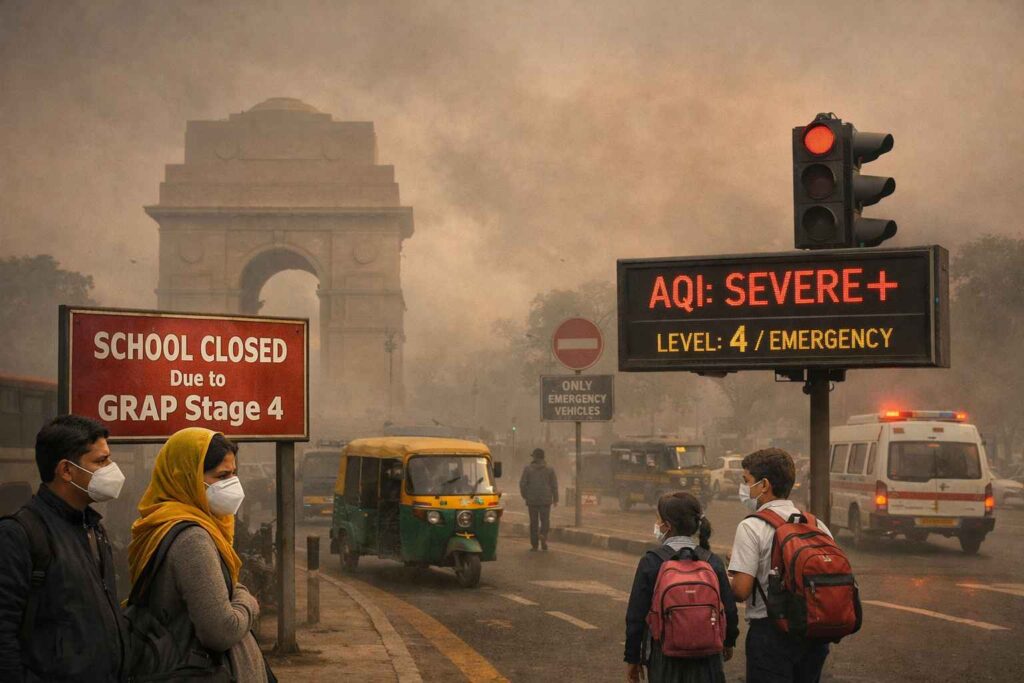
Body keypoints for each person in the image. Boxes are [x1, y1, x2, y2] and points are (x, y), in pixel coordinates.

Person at [128, 428, 267, 682]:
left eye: (233, 473)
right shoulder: (193, 539)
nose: (232, 484)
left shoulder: (164, 522)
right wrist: (249, 603)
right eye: (222, 476)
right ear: (187, 477)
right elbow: (221, 631)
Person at [0, 415, 128, 681]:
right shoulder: (20, 534)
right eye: (101, 461)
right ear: (66, 470)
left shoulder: (93, 528)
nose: (111, 469)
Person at [728, 448, 833, 683]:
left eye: (747, 481)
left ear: (764, 485)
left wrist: (725, 574)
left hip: (771, 634)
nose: (744, 488)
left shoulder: (751, 526)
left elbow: (741, 590)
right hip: (814, 633)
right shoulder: (817, 525)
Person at [625, 491, 738, 683]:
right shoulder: (712, 561)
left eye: (658, 519)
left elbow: (636, 616)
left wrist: (632, 658)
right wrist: (728, 642)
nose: (656, 524)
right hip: (708, 656)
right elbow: (729, 610)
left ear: (667, 526)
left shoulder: (651, 562)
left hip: (665, 658)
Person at [519, 448, 558, 551]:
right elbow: (554, 485)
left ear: (535, 457)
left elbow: (522, 484)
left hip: (532, 500)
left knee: (533, 523)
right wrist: (555, 499)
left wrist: (525, 495)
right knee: (545, 521)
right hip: (546, 500)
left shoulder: (528, 469)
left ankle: (534, 545)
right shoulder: (550, 469)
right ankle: (543, 535)